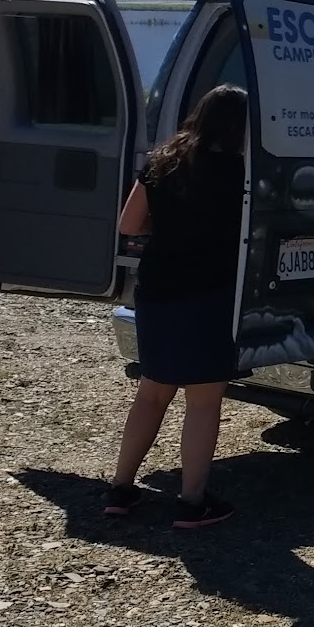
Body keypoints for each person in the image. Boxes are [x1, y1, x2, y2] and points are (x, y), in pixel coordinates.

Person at [106, 84, 248, 527]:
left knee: (152, 391)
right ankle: (192, 501)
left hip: (158, 287)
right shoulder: (240, 170)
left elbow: (129, 224)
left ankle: (121, 489)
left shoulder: (163, 161)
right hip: (209, 293)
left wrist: (165, 223)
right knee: (203, 402)